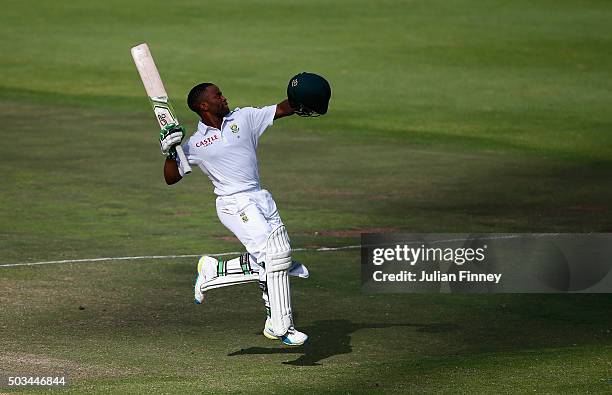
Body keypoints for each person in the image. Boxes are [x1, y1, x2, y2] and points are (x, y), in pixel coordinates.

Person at [159, 74, 330, 346]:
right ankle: (280, 326)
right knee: (275, 258)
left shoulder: (245, 118)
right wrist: (170, 151)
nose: (224, 98)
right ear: (203, 106)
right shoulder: (194, 144)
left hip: (260, 197)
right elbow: (171, 177)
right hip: (233, 203)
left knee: (275, 259)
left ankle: (214, 271)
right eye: (217, 96)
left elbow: (283, 109)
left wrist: (303, 96)